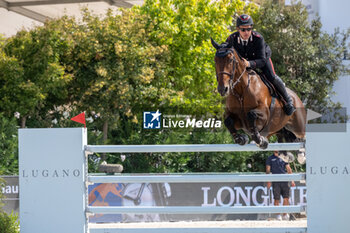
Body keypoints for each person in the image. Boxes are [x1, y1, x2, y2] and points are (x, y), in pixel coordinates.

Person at [224, 14, 295, 115]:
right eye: (243, 30)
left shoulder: (258, 38)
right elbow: (225, 51)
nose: (246, 32)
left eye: (249, 29)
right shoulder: (231, 39)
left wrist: (249, 63)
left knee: (272, 76)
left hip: (261, 59)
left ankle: (288, 101)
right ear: (237, 29)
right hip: (243, 63)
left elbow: (261, 60)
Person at [266, 150, 295, 220]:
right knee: (276, 199)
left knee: (286, 198)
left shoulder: (284, 157)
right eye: (275, 148)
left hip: (285, 180)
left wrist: (292, 180)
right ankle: (278, 215)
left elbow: (288, 169)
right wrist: (268, 180)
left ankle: (285, 214)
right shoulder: (270, 158)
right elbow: (268, 170)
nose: (277, 150)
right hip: (275, 181)